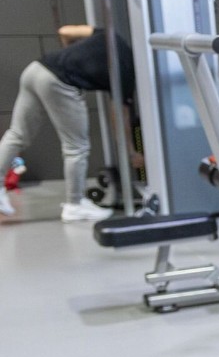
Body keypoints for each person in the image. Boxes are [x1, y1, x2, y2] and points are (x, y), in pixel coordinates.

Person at [0, 24, 133, 221]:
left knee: (17, 134)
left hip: (36, 68)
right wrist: (131, 150)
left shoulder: (110, 35)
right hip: (61, 81)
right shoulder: (128, 70)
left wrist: (71, 56)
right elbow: (118, 115)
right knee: (76, 147)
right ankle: (75, 204)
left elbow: (65, 31)